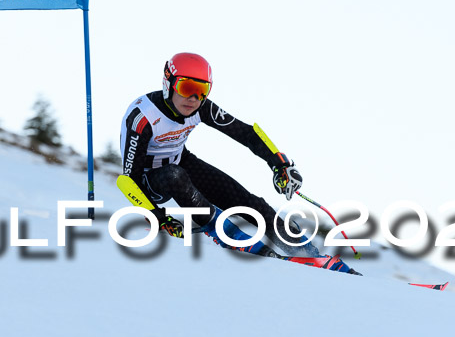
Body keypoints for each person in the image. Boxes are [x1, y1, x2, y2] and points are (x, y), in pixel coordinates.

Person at [119, 52, 359, 274]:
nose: (194, 98)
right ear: (168, 83)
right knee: (173, 175)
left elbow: (245, 133)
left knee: (245, 199)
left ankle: (308, 254)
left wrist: (279, 163)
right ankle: (220, 230)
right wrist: (156, 217)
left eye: (202, 90)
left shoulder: (201, 108)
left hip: (181, 161)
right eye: (187, 87)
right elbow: (128, 180)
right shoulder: (143, 117)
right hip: (150, 182)